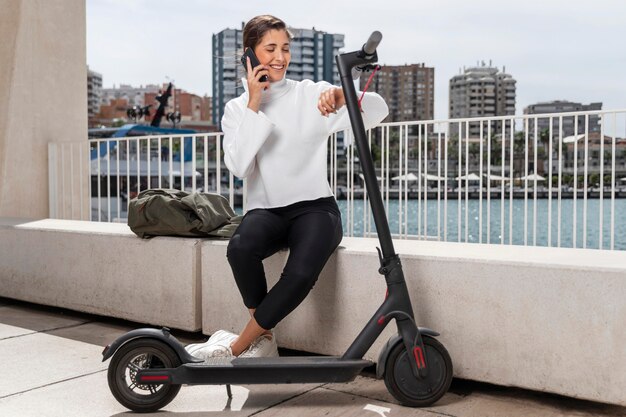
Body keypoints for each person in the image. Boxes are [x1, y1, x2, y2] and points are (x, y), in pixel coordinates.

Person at [186, 15, 388, 360]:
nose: (280, 57)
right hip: (266, 210)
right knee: (239, 249)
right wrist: (254, 101)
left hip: (315, 208)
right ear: (250, 55)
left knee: (298, 275)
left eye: (285, 48)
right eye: (270, 49)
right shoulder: (236, 110)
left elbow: (378, 109)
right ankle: (262, 337)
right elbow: (239, 167)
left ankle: (237, 347)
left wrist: (341, 95)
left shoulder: (310, 94)